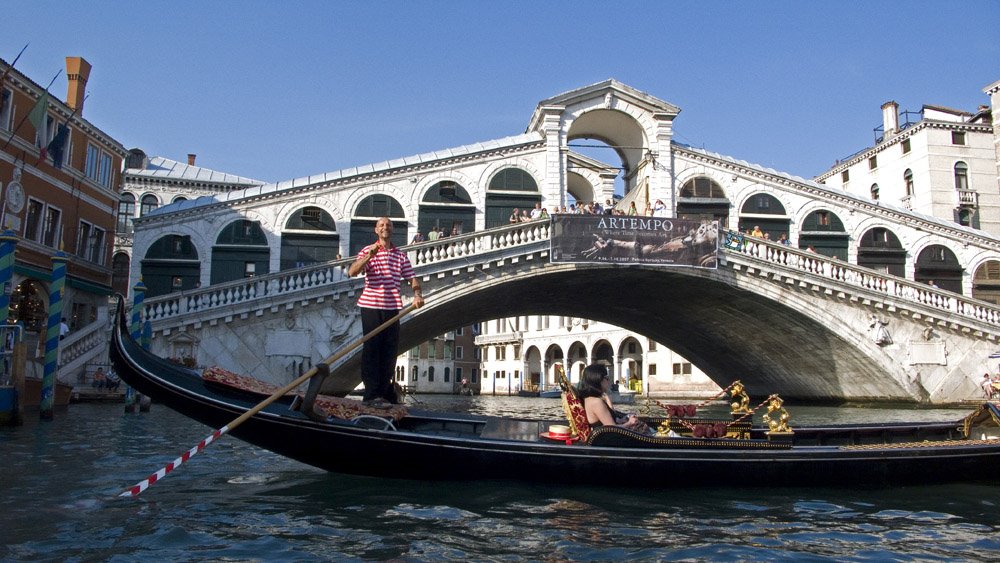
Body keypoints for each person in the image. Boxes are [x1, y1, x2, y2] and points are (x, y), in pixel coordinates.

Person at [349, 217, 424, 407]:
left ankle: (382, 393)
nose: (385, 228)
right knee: (372, 350)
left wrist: (417, 294)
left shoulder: (400, 255)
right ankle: (371, 395)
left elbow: (412, 278)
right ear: (376, 230)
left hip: (392, 308)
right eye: (382, 225)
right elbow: (352, 272)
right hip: (371, 306)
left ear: (392, 230)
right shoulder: (368, 250)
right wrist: (369, 256)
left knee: (389, 351)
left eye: (388, 225)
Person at [576, 364, 648, 432]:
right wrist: (630, 423)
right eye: (606, 378)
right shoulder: (596, 402)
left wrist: (622, 420)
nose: (609, 381)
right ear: (598, 380)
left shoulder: (590, 399)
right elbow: (612, 429)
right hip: (607, 440)